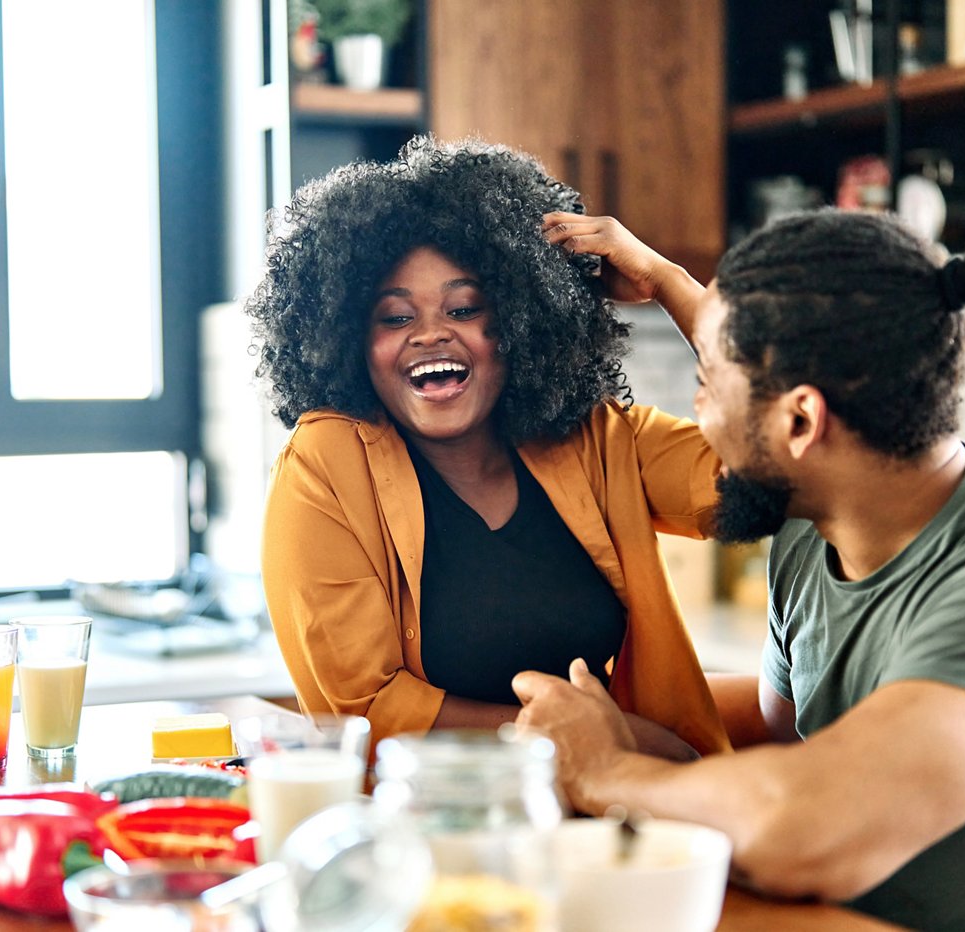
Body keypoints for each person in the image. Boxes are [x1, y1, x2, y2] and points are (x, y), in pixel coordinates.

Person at [517, 209, 965, 931]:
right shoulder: (814, 531)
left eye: (708, 386)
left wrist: (604, 769)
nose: (698, 409)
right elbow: (783, 728)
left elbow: (810, 832)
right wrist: (669, 281)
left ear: (800, 421)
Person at [245, 135, 730, 758]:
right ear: (348, 342)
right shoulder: (326, 464)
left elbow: (763, 467)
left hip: (612, 822)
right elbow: (367, 714)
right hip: (433, 828)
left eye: (466, 307)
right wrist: (600, 740)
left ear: (521, 321)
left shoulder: (596, 437)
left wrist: (670, 282)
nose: (430, 334)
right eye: (395, 317)